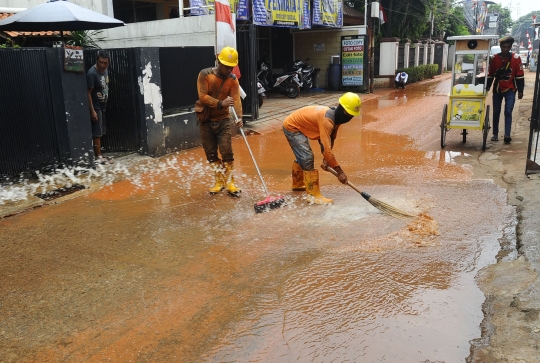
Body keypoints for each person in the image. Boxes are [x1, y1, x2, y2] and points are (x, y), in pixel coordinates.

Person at [282, 92, 361, 204]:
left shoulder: (336, 118)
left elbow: (330, 140)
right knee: (307, 157)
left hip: (301, 124)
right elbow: (327, 150)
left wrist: (326, 160)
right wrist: (340, 172)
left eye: (352, 115)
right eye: (348, 114)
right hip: (292, 126)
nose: (350, 117)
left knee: (303, 156)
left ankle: (298, 184)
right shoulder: (327, 121)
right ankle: (314, 196)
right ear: (341, 108)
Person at [196, 46, 243, 195]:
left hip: (223, 120)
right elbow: (202, 96)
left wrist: (240, 118)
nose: (229, 70)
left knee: (227, 151)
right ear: (218, 62)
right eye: (226, 67)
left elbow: (236, 99)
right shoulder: (205, 75)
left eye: (231, 67)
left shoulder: (232, 80)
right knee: (210, 152)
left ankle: (230, 182)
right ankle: (218, 181)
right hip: (206, 120)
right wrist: (220, 103)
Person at [486, 36, 525, 144]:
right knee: (496, 112)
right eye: (503, 47)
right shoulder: (494, 59)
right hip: (497, 89)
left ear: (510, 47)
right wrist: (487, 87)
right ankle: (495, 134)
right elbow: (490, 75)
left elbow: (519, 76)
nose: (505, 49)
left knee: (508, 111)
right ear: (500, 47)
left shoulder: (516, 58)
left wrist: (521, 90)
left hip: (510, 89)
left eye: (508, 47)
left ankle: (507, 135)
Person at [87, 50, 111, 164]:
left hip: (103, 104)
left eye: (105, 63)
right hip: (95, 105)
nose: (103, 65)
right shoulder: (92, 73)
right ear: (97, 60)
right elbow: (88, 93)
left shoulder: (105, 70)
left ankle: (100, 153)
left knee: (101, 130)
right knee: (97, 131)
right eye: (101, 62)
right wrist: (92, 111)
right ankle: (98, 157)